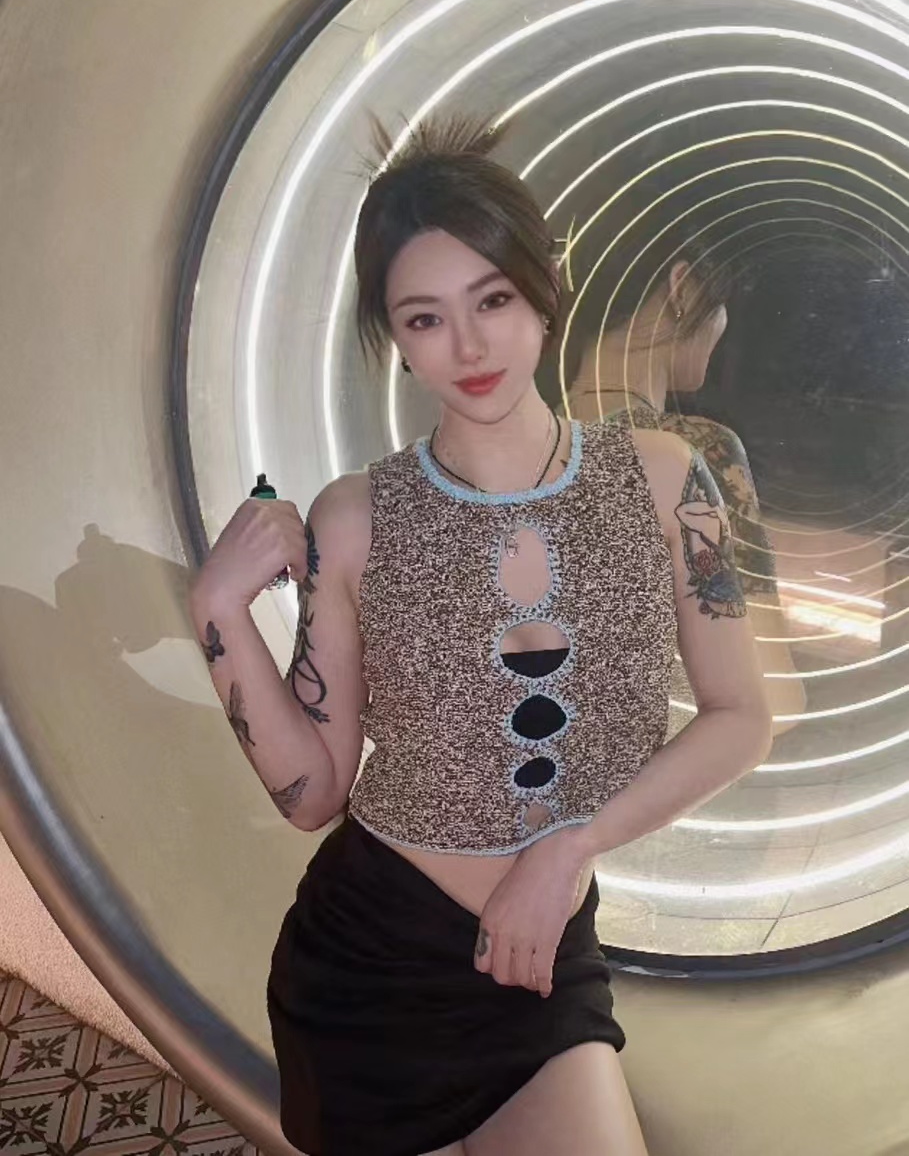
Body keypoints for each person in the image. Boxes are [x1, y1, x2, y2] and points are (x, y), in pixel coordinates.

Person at [188, 116, 773, 1156]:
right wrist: (220, 614)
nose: (467, 346)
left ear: (546, 287)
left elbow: (741, 716)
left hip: (542, 955)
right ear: (395, 338)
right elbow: (313, 792)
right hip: (368, 965)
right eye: (425, 318)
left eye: (492, 299)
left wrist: (571, 844)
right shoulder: (356, 516)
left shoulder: (665, 480)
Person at [558, 224, 807, 734]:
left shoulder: (517, 448)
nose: (722, 325)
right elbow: (775, 699)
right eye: (721, 304)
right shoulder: (697, 450)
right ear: (683, 289)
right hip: (671, 770)